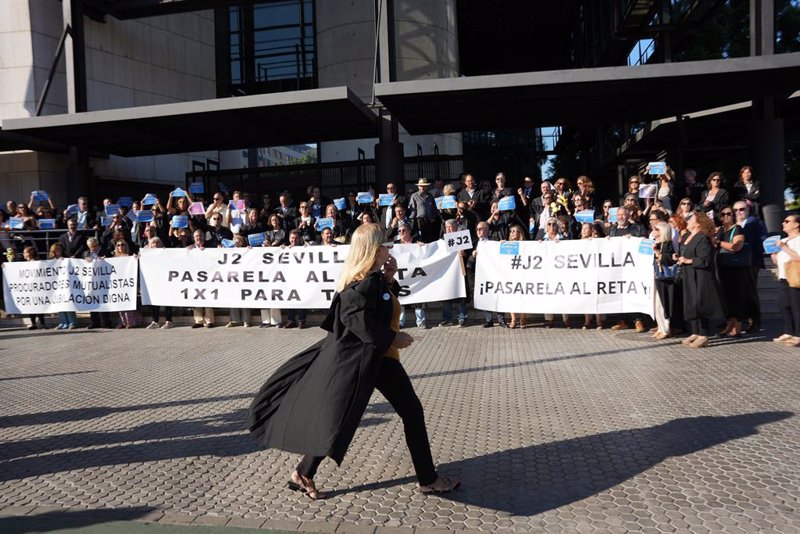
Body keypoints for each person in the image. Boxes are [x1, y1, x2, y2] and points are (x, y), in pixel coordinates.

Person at [246, 223, 460, 499]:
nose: (390, 248)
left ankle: (304, 472)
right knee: (375, 415)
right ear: (373, 249)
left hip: (378, 359)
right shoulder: (364, 283)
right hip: (374, 359)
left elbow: (375, 308)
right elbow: (355, 318)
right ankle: (428, 479)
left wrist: (390, 279)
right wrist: (392, 338)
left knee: (357, 416)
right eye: (385, 244)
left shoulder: (372, 279)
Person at [676, 211, 726, 348]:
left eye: (691, 218)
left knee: (700, 304)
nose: (688, 219)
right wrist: (678, 257)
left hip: (700, 276)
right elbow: (684, 251)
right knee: (691, 303)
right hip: (689, 275)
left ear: (698, 223)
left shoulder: (703, 238)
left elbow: (705, 259)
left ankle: (704, 335)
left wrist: (688, 260)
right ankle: (695, 331)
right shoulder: (687, 235)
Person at [715, 205, 748, 338]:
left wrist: (719, 243)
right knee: (726, 298)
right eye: (723, 214)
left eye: (729, 213)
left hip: (734, 268)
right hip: (721, 266)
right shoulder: (721, 230)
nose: (726, 216)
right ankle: (729, 324)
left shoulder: (737, 228)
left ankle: (737, 327)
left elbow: (737, 246)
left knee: (736, 297)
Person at [733, 200, 765, 333]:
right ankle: (741, 320)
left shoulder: (755, 222)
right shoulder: (734, 225)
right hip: (736, 262)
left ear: (747, 210)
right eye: (736, 210)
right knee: (739, 292)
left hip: (751, 261)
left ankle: (755, 321)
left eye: (742, 209)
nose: (739, 212)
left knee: (751, 292)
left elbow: (762, 239)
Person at [772, 214, 800, 346]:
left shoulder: (798, 240)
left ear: (796, 225)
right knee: (784, 305)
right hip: (784, 277)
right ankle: (788, 331)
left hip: (796, 277)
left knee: (796, 307)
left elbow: (798, 257)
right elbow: (779, 260)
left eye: (787, 221)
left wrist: (783, 247)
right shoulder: (784, 240)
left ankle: (798, 335)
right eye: (784, 221)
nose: (784, 223)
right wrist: (774, 255)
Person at [440, 219, 468, 327]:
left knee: (461, 295)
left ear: (456, 227)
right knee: (447, 296)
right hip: (447, 273)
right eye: (447, 228)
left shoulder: (462, 238)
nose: (449, 229)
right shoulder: (442, 240)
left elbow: (469, 253)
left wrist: (464, 253)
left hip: (460, 271)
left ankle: (462, 318)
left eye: (451, 227)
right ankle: (447, 319)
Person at [652, 222, 678, 339]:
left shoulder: (667, 244)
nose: (654, 230)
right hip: (656, 275)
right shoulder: (655, 243)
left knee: (663, 303)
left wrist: (657, 252)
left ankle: (666, 329)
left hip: (664, 277)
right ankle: (660, 327)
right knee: (656, 303)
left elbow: (668, 260)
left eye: (657, 229)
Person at [187, 229, 215, 328]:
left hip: (208, 276)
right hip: (194, 277)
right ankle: (198, 320)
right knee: (197, 297)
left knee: (207, 297)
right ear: (193, 238)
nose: (198, 238)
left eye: (200, 235)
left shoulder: (209, 247)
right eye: (196, 236)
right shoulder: (189, 248)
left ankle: (209, 321)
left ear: (203, 237)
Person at [84, 238, 114, 329]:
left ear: (98, 245)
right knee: (92, 302)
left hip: (103, 281)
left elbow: (113, 263)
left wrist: (104, 260)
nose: (92, 248)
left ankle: (106, 322)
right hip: (91, 282)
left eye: (94, 246)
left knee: (104, 302)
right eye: (90, 247)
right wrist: (85, 260)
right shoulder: (86, 253)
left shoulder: (106, 252)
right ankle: (94, 322)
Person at [48, 243, 78, 329]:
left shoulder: (66, 259)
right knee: (59, 305)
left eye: (60, 249)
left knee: (68, 303)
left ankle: (72, 322)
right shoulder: (50, 261)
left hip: (66, 285)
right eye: (56, 249)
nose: (58, 251)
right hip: (56, 286)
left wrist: (66, 260)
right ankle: (63, 322)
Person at [113, 240, 141, 328]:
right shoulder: (113, 258)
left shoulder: (130, 257)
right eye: (118, 245)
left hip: (128, 284)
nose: (120, 247)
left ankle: (131, 322)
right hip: (118, 284)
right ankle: (123, 322)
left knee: (129, 304)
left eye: (122, 245)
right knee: (120, 304)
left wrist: (136, 258)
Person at [227, 235, 252, 327]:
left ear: (242, 242)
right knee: (233, 298)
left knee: (244, 299)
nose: (237, 243)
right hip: (233, 277)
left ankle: (247, 320)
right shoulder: (229, 251)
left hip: (244, 277)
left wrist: (250, 250)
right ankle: (234, 320)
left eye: (239, 241)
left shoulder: (246, 250)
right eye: (235, 241)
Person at [505, 224, 527, 329]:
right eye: (511, 231)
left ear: (520, 233)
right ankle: (513, 319)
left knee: (523, 297)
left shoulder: (525, 246)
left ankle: (523, 318)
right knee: (511, 297)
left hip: (522, 274)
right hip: (510, 275)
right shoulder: (507, 245)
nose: (512, 233)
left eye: (515, 231)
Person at [408, 178, 441, 243]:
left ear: (426, 187)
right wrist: (412, 221)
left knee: (430, 239)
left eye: (424, 186)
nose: (422, 187)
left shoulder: (430, 195)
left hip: (429, 221)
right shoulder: (414, 196)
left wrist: (433, 217)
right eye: (421, 186)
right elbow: (412, 210)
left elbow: (434, 208)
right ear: (418, 187)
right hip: (419, 221)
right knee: (421, 240)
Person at [21, 246, 46, 330]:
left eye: (25, 252)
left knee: (39, 305)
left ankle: (42, 323)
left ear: (30, 253)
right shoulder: (23, 264)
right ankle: (33, 323)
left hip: (38, 287)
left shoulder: (39, 262)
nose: (23, 254)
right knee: (30, 306)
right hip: (28, 288)